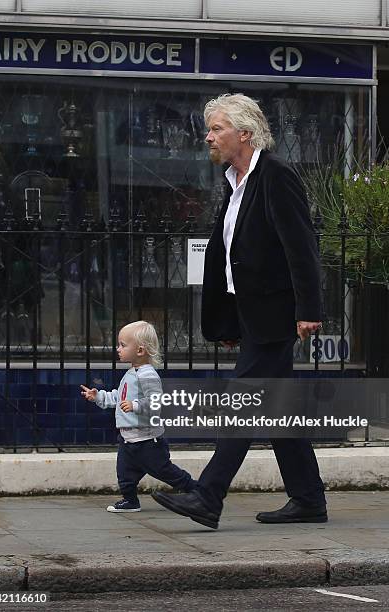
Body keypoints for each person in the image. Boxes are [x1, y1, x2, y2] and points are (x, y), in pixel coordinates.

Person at [152, 93, 326, 529]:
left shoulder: (276, 176)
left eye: (216, 129)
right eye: (209, 129)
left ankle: (208, 496)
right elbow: (231, 257)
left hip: (276, 315)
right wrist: (230, 320)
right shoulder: (233, 181)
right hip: (252, 315)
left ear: (245, 134)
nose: (208, 137)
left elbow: (301, 247)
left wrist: (309, 309)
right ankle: (308, 499)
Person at [81, 320, 196, 512]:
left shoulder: (147, 375)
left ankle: (196, 489)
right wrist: (98, 396)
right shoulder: (131, 373)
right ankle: (130, 501)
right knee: (125, 473)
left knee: (164, 470)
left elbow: (156, 401)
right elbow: (119, 396)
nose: (118, 349)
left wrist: (135, 405)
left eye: (123, 345)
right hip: (128, 438)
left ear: (140, 351)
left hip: (147, 440)